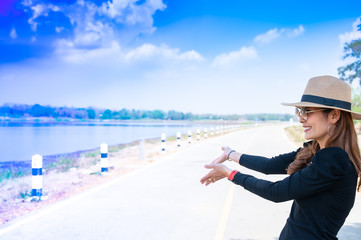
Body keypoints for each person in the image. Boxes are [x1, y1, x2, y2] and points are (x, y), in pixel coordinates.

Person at [200, 75, 361, 240]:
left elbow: (276, 192)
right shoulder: (315, 151)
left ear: (334, 116)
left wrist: (230, 174)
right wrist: (230, 154)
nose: (300, 118)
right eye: (300, 111)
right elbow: (269, 165)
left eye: (308, 111)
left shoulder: (334, 159)